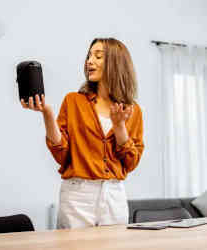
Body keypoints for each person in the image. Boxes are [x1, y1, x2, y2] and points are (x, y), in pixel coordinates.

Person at [21, 38, 144, 229]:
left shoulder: (133, 110)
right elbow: (62, 154)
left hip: (114, 195)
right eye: (89, 55)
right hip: (77, 196)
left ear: (116, 63)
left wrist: (119, 127)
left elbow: (130, 163)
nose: (89, 61)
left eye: (98, 56)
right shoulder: (73, 101)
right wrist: (47, 113)